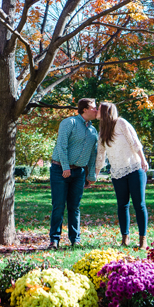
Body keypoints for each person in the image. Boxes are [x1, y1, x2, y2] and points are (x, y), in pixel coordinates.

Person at [94, 101, 150, 249]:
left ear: (106, 111)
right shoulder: (102, 132)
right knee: (122, 205)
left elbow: (135, 143)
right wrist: (95, 174)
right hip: (117, 173)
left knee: (139, 204)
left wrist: (143, 161)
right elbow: (100, 155)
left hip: (134, 169)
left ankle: (143, 240)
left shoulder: (121, 123)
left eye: (99, 108)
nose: (96, 111)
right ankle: (125, 238)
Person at [48, 98, 99, 249]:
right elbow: (61, 146)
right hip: (60, 170)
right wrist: (65, 167)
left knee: (74, 207)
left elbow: (92, 155)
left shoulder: (93, 131)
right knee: (58, 206)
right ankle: (54, 240)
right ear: (85, 109)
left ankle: (75, 239)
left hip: (79, 173)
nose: (96, 111)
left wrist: (91, 176)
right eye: (94, 108)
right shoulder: (69, 123)